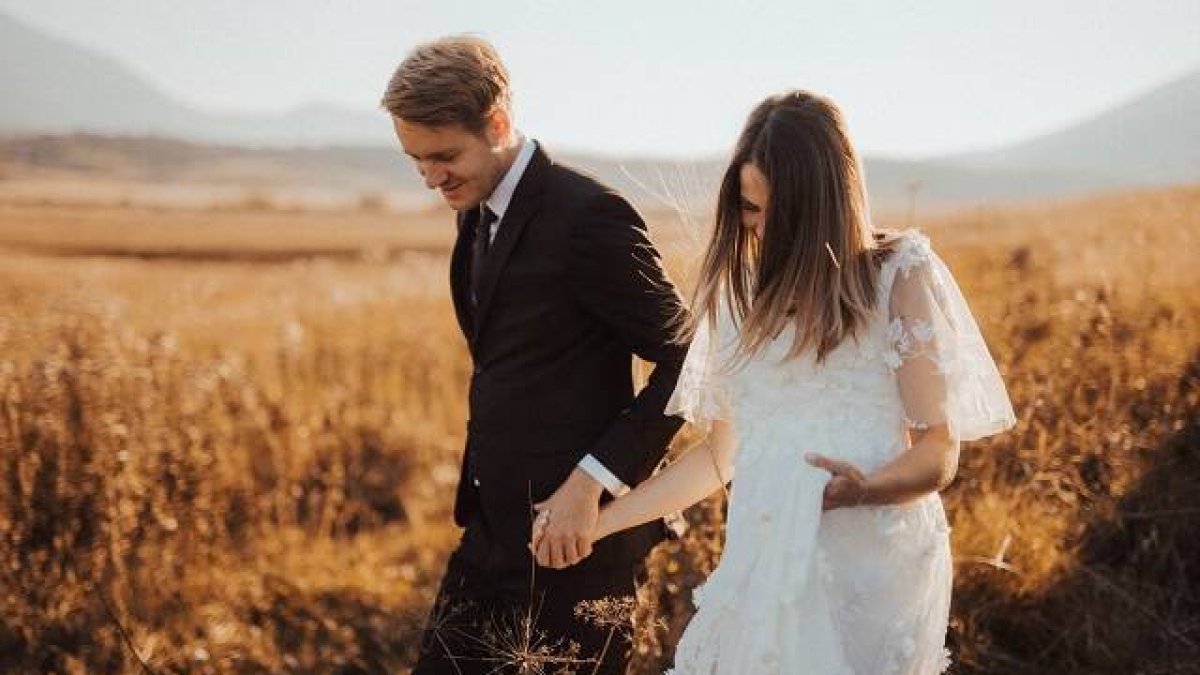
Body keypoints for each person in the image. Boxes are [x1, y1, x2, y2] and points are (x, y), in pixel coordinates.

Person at [537, 90, 1017, 674]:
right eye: (746, 207)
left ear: (822, 206)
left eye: (772, 212)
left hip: (869, 568)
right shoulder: (735, 299)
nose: (756, 228)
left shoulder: (899, 277)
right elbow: (719, 458)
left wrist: (863, 489)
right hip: (760, 564)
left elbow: (939, 452)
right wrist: (603, 522)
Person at [382, 36, 689, 674]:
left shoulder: (590, 217)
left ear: (496, 124)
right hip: (488, 537)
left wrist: (592, 480)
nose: (432, 178)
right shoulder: (476, 212)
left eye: (444, 156)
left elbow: (691, 359)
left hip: (575, 549)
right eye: (415, 161)